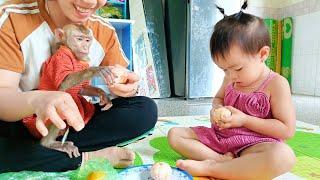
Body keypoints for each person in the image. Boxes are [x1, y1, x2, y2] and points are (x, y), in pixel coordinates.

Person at [0, 0, 157, 172]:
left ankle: (40, 153)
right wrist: (37, 99)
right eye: (80, 40)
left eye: (87, 41)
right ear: (60, 37)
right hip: (22, 119)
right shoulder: (13, 17)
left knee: (145, 109)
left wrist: (128, 86)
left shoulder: (103, 29)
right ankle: (85, 157)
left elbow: (120, 82)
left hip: (73, 119)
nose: (90, 1)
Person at [167, 1, 296, 179]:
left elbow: (286, 130)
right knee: (175, 135)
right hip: (221, 138)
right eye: (224, 70)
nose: (231, 75)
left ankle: (211, 169)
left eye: (237, 69)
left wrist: (244, 120)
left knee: (284, 157)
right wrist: (216, 109)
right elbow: (218, 99)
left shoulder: (276, 84)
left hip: (255, 144)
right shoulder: (230, 77)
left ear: (262, 54)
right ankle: (222, 161)